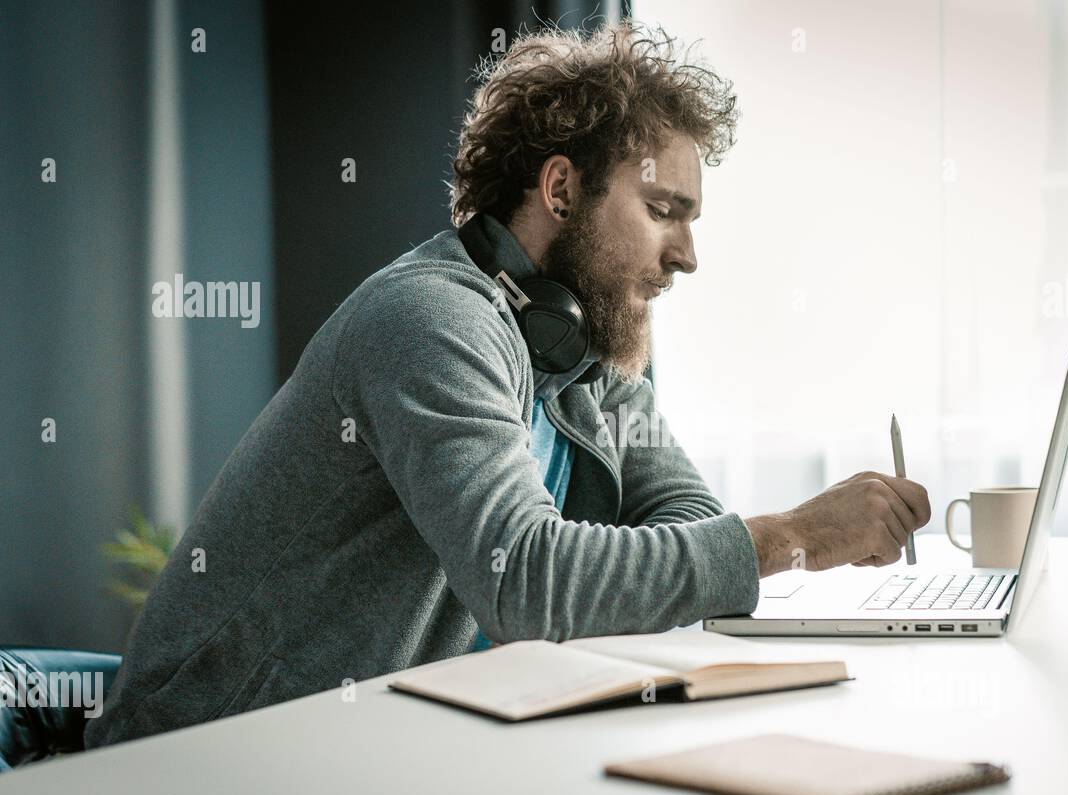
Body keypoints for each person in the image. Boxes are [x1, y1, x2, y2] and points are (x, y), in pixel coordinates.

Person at [85, 21, 929, 748]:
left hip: (376, 751)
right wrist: (796, 536)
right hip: (211, 760)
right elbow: (526, 577)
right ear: (561, 189)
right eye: (663, 210)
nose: (686, 255)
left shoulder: (582, 345)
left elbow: (688, 523)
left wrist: (732, 550)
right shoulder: (430, 321)